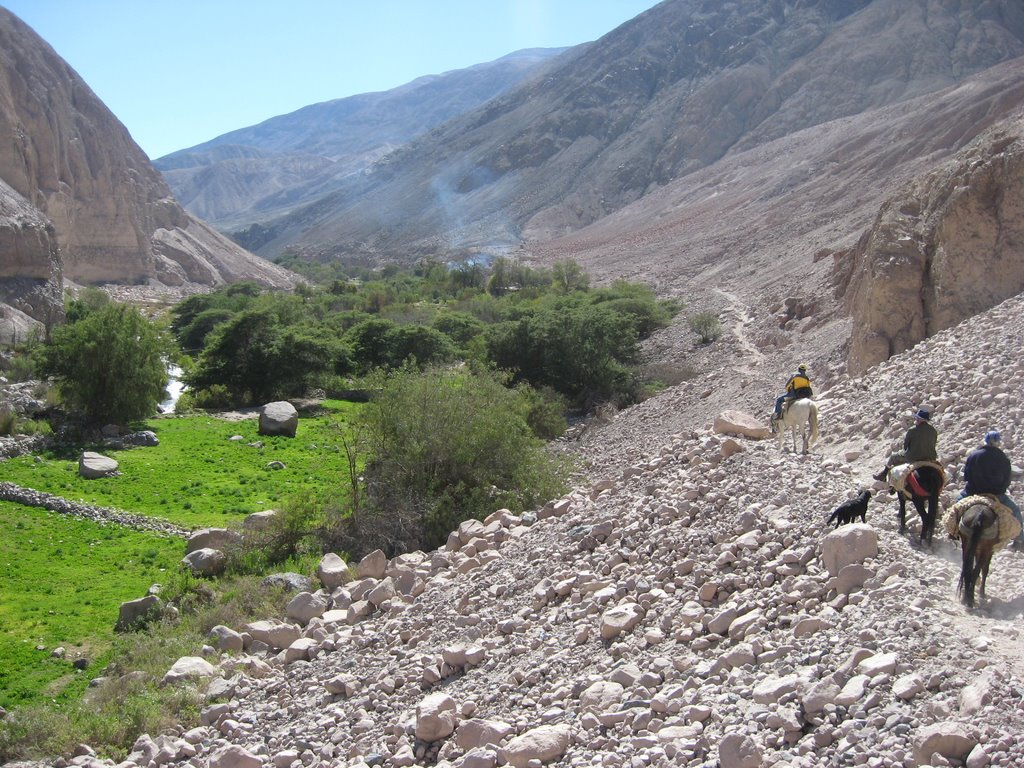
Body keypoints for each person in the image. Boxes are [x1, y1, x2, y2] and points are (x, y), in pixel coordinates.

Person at [958, 430, 1024, 548]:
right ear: (998, 443)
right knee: (1016, 512)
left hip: (973, 492)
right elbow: (1007, 480)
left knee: (956, 505)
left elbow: (967, 475)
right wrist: (1000, 490)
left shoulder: (974, 455)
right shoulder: (1003, 458)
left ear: (985, 441)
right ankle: (1019, 540)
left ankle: (953, 532)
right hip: (996, 494)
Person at [872, 406, 938, 482]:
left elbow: (906, 446)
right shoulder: (933, 431)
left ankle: (883, 475)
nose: (915, 420)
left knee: (893, 457)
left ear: (919, 419)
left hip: (913, 457)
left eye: (916, 418)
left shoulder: (912, 430)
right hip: (931, 457)